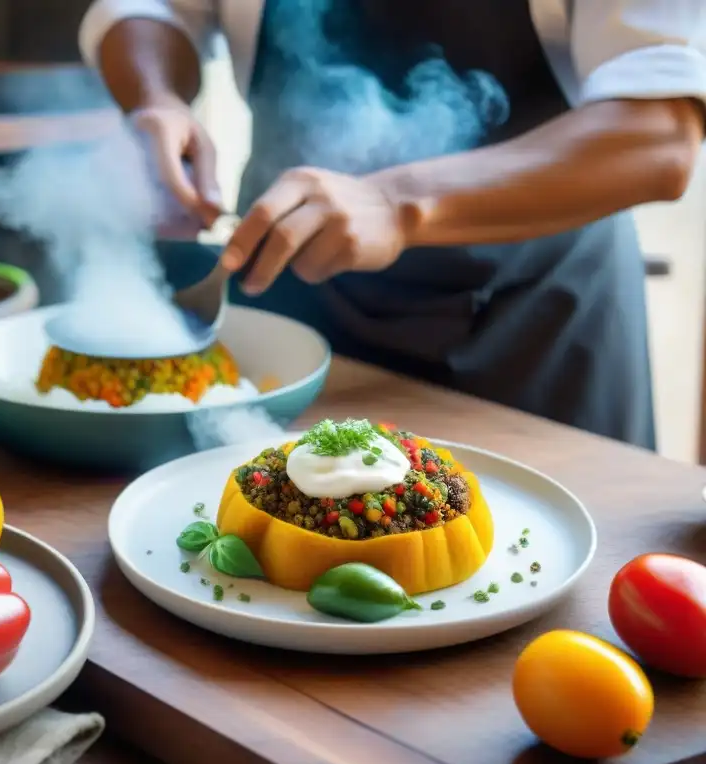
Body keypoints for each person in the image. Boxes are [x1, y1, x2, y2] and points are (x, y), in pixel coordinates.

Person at [77, 0, 706, 450]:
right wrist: (155, 98)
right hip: (293, 308)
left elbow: (657, 136)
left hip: (538, 324)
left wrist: (394, 203)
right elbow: (152, 8)